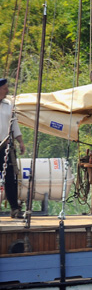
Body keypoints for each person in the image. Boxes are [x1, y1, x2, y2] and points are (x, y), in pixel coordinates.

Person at [0, 78, 27, 218]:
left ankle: (14, 209)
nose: (7, 90)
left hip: (6, 147)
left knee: (10, 178)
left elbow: (14, 124)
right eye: (5, 88)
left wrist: (20, 141)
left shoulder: (8, 105)